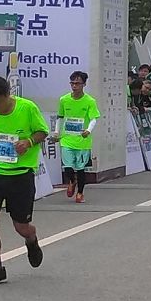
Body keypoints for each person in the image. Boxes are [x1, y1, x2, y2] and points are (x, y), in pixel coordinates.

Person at [0, 74, 48, 286]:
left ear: (7, 94)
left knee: (21, 226)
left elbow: (43, 131)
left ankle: (31, 241)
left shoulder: (27, 108)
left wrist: (29, 141)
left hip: (20, 175)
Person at [55, 69, 100, 203]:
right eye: (72, 83)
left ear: (84, 85)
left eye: (78, 83)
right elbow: (60, 116)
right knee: (68, 166)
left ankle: (80, 193)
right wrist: (57, 132)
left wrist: (88, 130)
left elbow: (93, 118)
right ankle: (72, 180)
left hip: (82, 140)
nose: (75, 86)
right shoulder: (64, 99)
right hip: (67, 138)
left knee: (80, 168)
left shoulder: (90, 101)